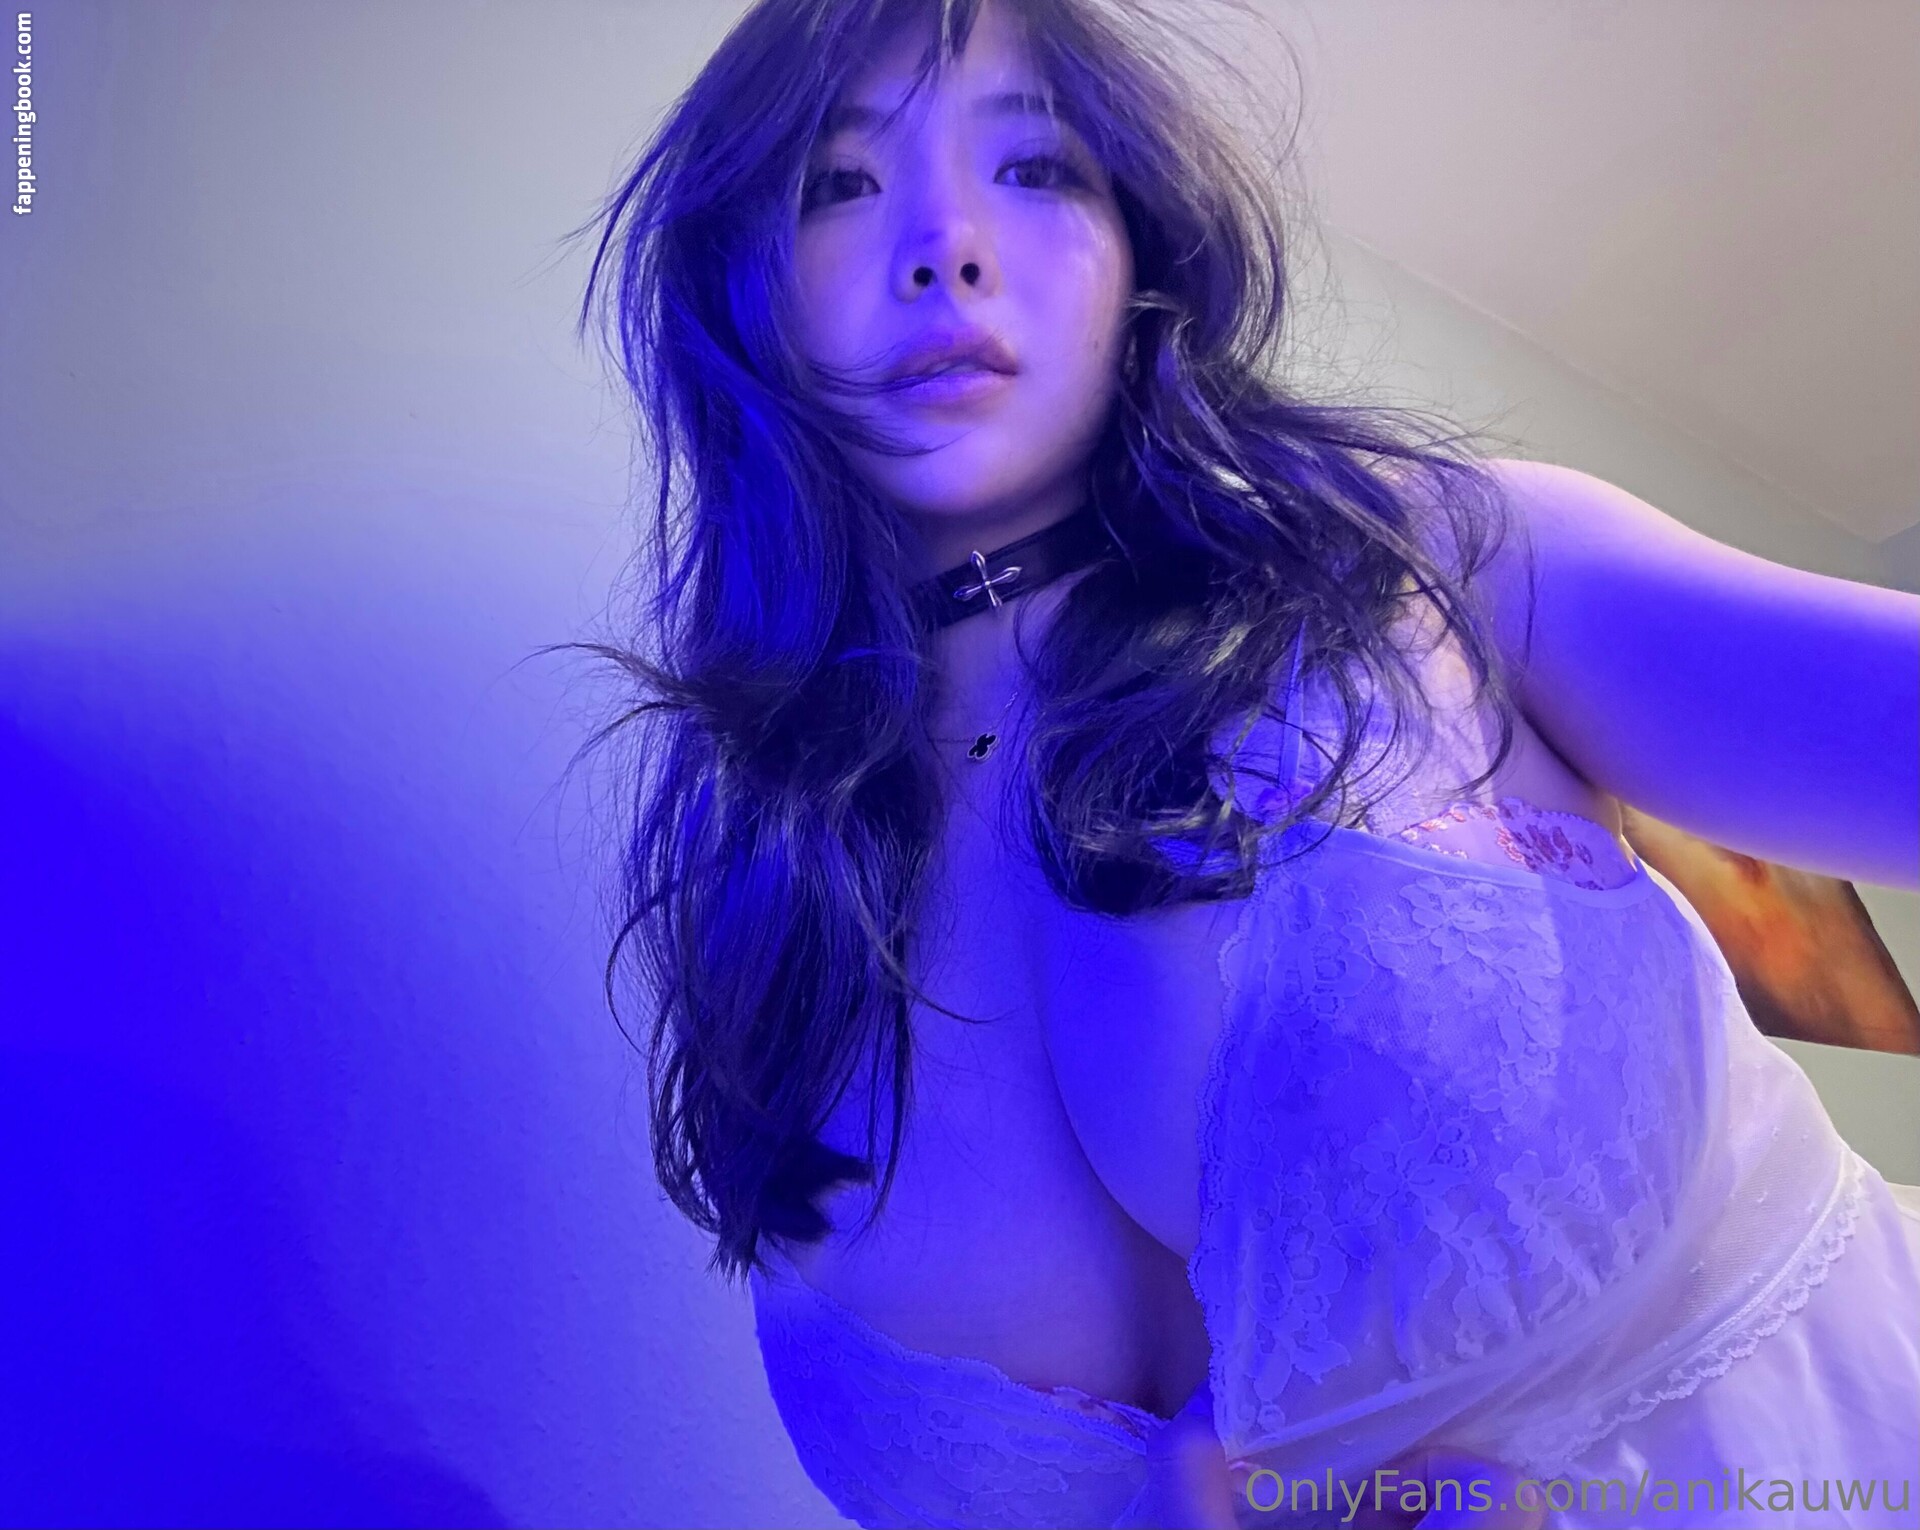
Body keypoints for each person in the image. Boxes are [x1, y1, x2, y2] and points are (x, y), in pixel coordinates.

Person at [557, 0, 1920, 1524]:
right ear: (738, 276)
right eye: (841, 182)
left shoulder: (1427, 557)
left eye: (1035, 167)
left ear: (1138, 243)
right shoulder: (768, 904)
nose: (945, 248)